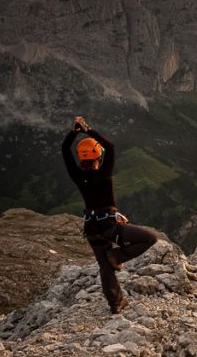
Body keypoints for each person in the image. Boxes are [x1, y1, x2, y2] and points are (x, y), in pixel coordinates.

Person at [62, 116, 158, 314]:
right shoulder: (103, 173)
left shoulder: (77, 175)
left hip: (91, 229)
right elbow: (111, 146)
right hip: (109, 226)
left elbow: (65, 150)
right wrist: (87, 129)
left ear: (81, 158)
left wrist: (75, 132)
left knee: (105, 266)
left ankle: (115, 304)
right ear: (98, 156)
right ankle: (116, 255)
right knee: (149, 238)